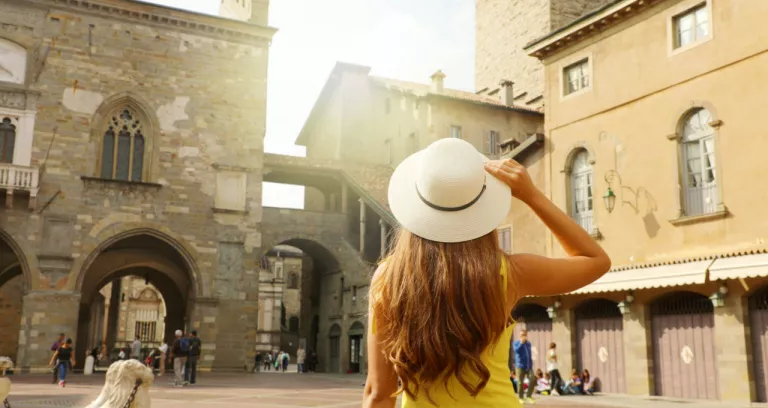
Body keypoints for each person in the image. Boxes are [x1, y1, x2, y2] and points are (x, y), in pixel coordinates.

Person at [362, 139, 610, 408]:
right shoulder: (508, 273)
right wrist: (532, 196)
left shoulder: (389, 278)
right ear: (483, 210)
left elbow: (378, 393)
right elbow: (596, 260)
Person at [513, 329, 535, 404]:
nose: (523, 336)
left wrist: (531, 364)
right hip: (520, 365)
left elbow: (529, 354)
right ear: (520, 336)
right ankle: (520, 397)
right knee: (520, 382)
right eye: (522, 335)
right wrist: (521, 343)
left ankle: (528, 396)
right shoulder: (516, 343)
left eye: (524, 335)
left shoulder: (528, 343)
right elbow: (516, 351)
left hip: (528, 366)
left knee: (532, 379)